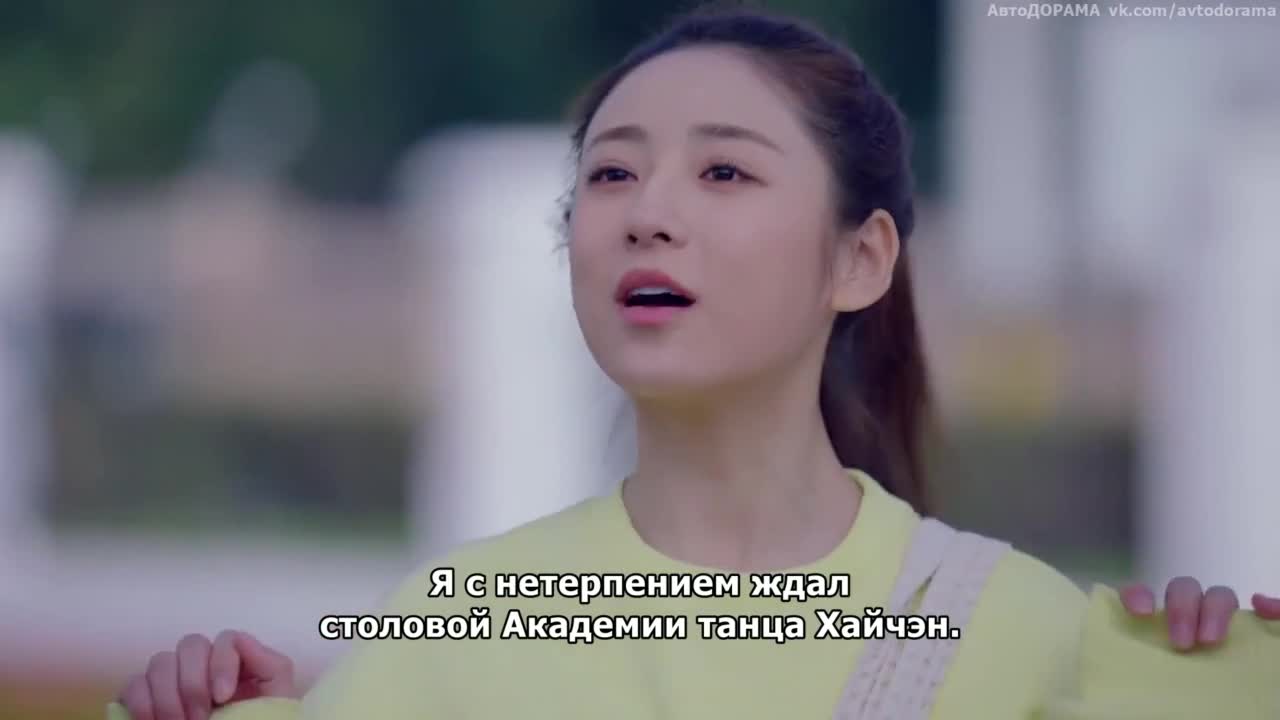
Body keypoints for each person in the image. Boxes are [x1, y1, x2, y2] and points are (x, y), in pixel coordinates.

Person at [112, 6, 1280, 720]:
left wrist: (1223, 683)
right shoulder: (460, 627)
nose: (646, 214)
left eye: (723, 172)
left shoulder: (1018, 635)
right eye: (612, 174)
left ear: (859, 259)